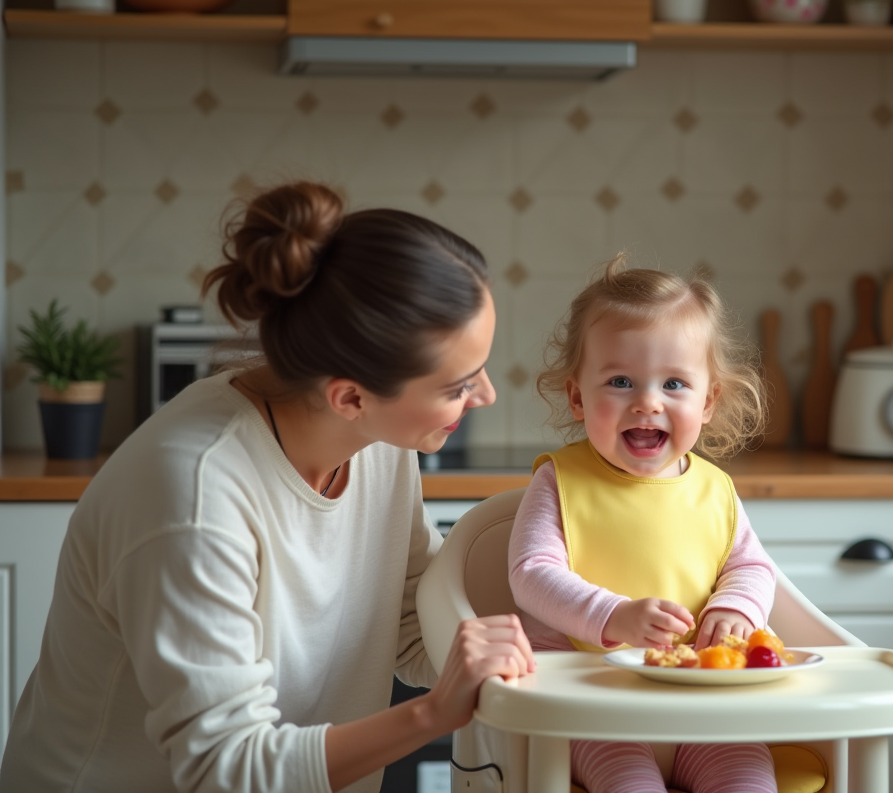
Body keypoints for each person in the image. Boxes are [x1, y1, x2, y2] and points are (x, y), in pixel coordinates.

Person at [0, 181, 535, 793]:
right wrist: (433, 714)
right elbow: (228, 767)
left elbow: (410, 625)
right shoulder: (195, 497)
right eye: (458, 385)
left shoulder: (378, 440)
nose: (486, 395)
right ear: (350, 397)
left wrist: (562, 613)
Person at [508, 255, 779, 793]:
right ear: (578, 397)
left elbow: (751, 567)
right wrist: (614, 616)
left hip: (698, 696)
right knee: (629, 783)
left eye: (674, 383)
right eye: (621, 381)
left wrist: (734, 609)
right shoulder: (560, 481)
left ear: (708, 400)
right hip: (592, 698)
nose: (647, 403)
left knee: (749, 777)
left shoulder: (716, 490)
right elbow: (531, 573)